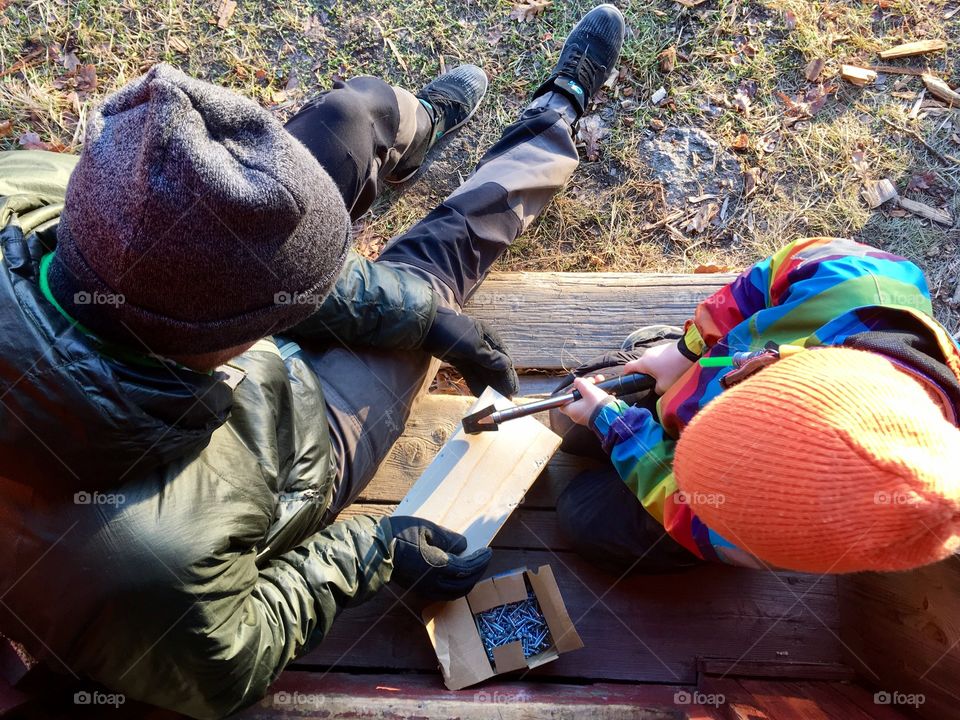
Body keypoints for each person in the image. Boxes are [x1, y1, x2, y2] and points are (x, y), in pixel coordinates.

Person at [0, 5, 626, 718]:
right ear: (251, 333)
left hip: (200, 357)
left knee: (355, 114)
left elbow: (244, 284)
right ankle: (556, 117)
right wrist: (378, 548)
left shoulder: (32, 189)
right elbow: (233, 665)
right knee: (436, 265)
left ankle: (419, 130)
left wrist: (412, 319)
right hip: (298, 451)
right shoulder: (147, 567)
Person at [558, 237, 960, 574]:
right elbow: (759, 283)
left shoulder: (769, 530)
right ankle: (670, 363)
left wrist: (619, 429)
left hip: (715, 499)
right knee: (567, 416)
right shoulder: (854, 277)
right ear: (781, 368)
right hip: (704, 372)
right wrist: (687, 350)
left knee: (584, 518)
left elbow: (690, 512)